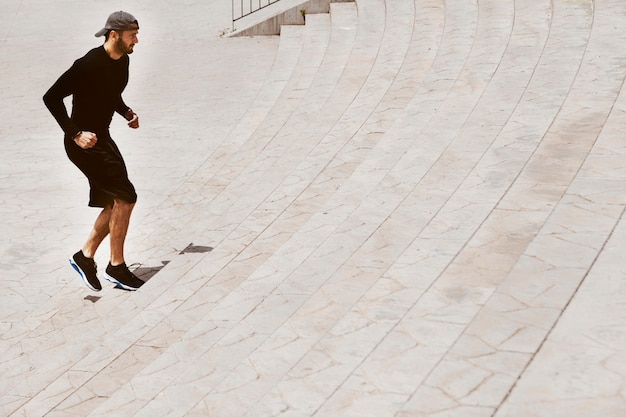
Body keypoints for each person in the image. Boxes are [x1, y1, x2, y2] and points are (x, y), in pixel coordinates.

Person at [43, 11, 144, 291]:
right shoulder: (87, 64)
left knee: (114, 202)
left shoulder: (121, 60)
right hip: (83, 144)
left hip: (102, 138)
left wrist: (125, 112)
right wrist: (75, 133)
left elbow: (109, 93)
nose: (137, 40)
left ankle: (85, 257)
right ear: (115, 35)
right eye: (132, 35)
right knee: (126, 196)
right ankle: (116, 266)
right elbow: (51, 97)